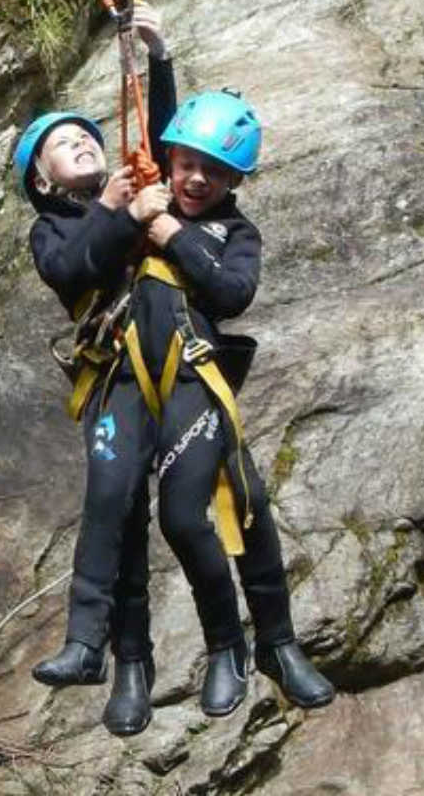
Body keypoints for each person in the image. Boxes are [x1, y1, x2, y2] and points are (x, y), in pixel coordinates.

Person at [134, 91, 335, 716]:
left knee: (233, 506)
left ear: (234, 181)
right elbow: (154, 120)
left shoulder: (235, 233)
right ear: (170, 161)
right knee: (199, 513)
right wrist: (156, 52)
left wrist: (174, 236)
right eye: (187, 164)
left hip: (195, 380)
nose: (196, 179)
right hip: (135, 385)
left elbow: (231, 293)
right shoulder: (148, 200)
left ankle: (265, 645)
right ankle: (240, 645)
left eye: (215, 172)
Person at [13, 4, 173, 737]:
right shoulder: (51, 229)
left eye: (86, 136)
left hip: (176, 364)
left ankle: (241, 645)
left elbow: (167, 145)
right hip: (115, 374)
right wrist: (115, 213)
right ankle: (107, 655)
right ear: (43, 181)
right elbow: (76, 268)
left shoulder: (141, 189)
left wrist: (158, 56)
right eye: (62, 144)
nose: (81, 141)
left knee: (188, 513)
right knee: (116, 502)